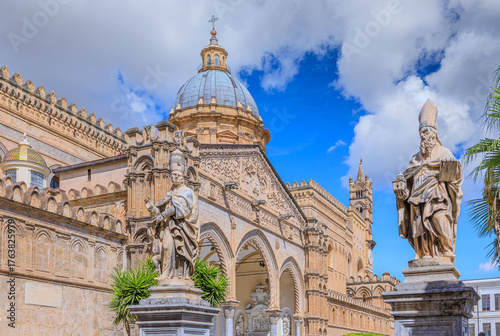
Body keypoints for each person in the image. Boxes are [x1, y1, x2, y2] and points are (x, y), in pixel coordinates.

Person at [393, 99, 462, 261]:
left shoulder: (444, 153)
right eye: (422, 133)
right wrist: (402, 192)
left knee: (439, 219)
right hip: (417, 200)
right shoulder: (415, 159)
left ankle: (446, 250)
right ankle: (424, 254)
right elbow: (407, 184)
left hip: (438, 195)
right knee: (420, 229)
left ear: (434, 134)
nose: (424, 137)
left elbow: (456, 177)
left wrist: (452, 170)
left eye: (427, 132)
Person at [145, 149, 199, 281]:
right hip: (169, 225)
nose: (175, 177)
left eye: (178, 175)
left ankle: (178, 275)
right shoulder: (169, 193)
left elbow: (178, 209)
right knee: (166, 247)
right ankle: (165, 274)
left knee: (179, 250)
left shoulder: (187, 191)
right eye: (173, 175)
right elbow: (163, 210)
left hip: (182, 227)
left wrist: (161, 216)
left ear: (182, 177)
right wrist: (152, 208)